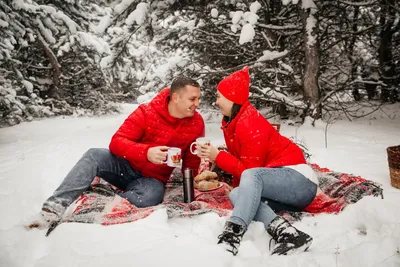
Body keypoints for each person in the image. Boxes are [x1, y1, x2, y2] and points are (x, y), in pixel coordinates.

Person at [27, 76, 205, 229]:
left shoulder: (196, 123)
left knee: (151, 196)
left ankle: (107, 201)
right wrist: (146, 152)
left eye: (198, 99)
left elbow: (192, 159)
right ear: (175, 97)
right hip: (124, 166)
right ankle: (53, 208)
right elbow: (117, 142)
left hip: (151, 179)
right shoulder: (147, 112)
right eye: (192, 99)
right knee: (94, 154)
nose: (197, 104)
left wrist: (192, 185)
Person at [197, 66, 319, 256]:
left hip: (299, 180)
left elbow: (250, 172)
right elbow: (247, 176)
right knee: (237, 195)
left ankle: (232, 234)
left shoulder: (250, 124)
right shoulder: (236, 122)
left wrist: (219, 157)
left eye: (219, 96)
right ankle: (288, 234)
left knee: (249, 178)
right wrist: (221, 159)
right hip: (283, 191)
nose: (216, 101)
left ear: (233, 99)